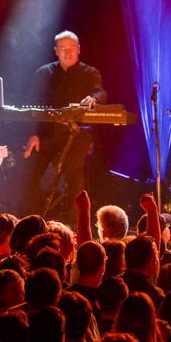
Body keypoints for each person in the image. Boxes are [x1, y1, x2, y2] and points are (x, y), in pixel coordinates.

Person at [23, 30, 107, 220]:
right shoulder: (44, 73)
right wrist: (33, 134)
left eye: (71, 48)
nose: (68, 53)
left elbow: (100, 93)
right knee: (31, 175)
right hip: (45, 135)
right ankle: (31, 223)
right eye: (63, 49)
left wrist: (93, 98)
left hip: (76, 136)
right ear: (56, 51)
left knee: (75, 176)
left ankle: (76, 227)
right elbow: (30, 105)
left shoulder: (89, 73)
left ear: (78, 50)